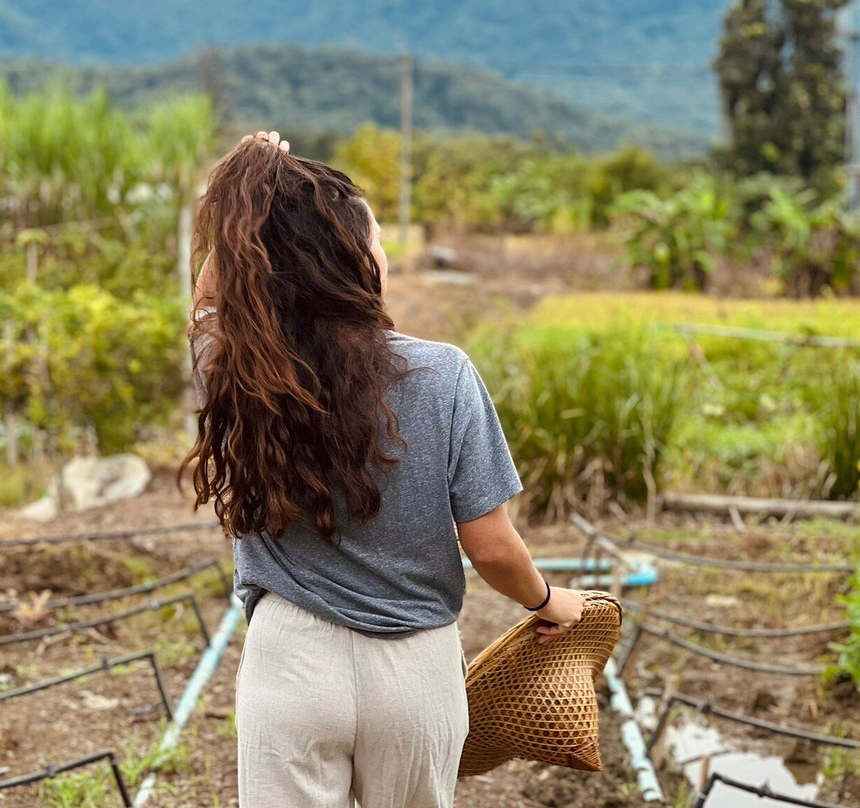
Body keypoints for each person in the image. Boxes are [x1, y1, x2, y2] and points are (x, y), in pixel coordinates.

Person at [179, 130, 587, 808]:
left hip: (290, 664)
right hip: (414, 672)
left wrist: (242, 191)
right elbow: (488, 545)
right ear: (348, 263)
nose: (385, 253)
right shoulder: (445, 374)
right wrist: (549, 601)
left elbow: (207, 303)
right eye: (375, 242)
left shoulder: (237, 373)